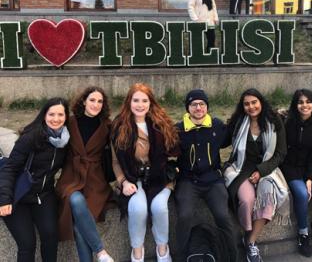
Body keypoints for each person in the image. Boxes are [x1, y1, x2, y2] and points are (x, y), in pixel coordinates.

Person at [111, 83, 179, 262]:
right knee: (138, 208)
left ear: (150, 103)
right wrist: (123, 182)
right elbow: (116, 161)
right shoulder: (119, 126)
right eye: (136, 100)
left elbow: (175, 152)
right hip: (133, 176)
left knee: (159, 208)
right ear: (129, 102)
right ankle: (137, 252)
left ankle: (162, 249)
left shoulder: (161, 123)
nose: (140, 105)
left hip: (160, 176)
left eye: (144, 100)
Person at [0, 97, 70, 262]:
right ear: (44, 115)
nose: (56, 119)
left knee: (51, 237)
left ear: (66, 116)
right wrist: (4, 199)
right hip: (18, 196)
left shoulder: (66, 140)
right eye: (51, 114)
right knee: (27, 244)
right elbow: (10, 168)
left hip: (43, 195)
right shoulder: (32, 137)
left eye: (60, 114)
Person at [224, 88, 288, 262]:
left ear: (261, 102)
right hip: (241, 168)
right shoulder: (239, 121)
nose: (251, 107)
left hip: (267, 169)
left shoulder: (275, 121)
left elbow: (280, 154)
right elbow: (223, 141)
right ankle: (247, 231)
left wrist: (261, 171)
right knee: (247, 200)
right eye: (246, 104)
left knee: (267, 197)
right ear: (242, 106)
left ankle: (251, 241)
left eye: (254, 102)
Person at [175, 89, 238, 261]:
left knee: (223, 216)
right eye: (193, 104)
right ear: (188, 108)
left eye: (202, 104)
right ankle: (181, 257)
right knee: (185, 216)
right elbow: (168, 152)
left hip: (213, 181)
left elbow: (234, 135)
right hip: (188, 181)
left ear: (207, 107)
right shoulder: (178, 130)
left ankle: (232, 257)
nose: (198, 108)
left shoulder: (217, 126)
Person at [55, 87, 114, 262]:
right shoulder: (70, 122)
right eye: (92, 100)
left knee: (80, 226)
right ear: (83, 101)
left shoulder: (107, 126)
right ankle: (101, 251)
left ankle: (99, 255)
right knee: (75, 199)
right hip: (71, 177)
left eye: (100, 101)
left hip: (95, 180)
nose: (96, 104)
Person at [281, 89, 312, 257]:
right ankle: (303, 234)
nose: (305, 105)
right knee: (301, 195)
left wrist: (310, 178)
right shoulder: (287, 122)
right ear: (295, 105)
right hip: (291, 168)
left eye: (308, 102)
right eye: (300, 102)